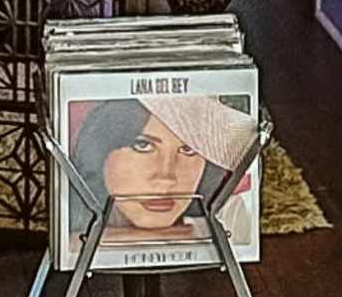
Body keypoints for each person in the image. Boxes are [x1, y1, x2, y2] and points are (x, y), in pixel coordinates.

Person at [62, 86, 258, 256]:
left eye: (188, 149)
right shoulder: (67, 213)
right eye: (142, 145)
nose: (166, 178)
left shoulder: (233, 215)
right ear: (99, 149)